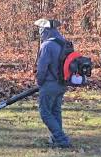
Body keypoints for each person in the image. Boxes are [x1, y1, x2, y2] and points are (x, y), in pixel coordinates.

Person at [34, 19, 72, 148]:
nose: (40, 33)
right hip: (62, 83)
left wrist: (39, 82)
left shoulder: (47, 46)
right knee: (55, 111)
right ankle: (57, 138)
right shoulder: (65, 43)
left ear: (46, 31)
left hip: (49, 84)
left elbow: (42, 68)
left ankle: (62, 139)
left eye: (40, 30)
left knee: (45, 112)